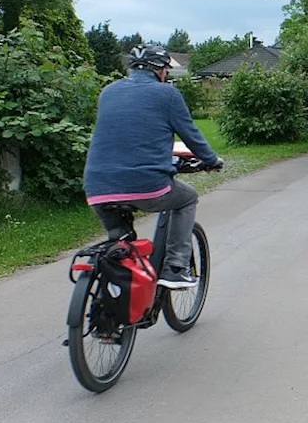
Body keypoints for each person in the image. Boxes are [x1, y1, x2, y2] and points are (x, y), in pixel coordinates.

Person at [83, 44, 223, 289]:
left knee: (120, 244)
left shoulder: (108, 92)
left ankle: (114, 306)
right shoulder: (167, 95)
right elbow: (191, 135)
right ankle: (176, 267)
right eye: (166, 71)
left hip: (97, 187)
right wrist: (212, 160)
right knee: (187, 198)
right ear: (160, 71)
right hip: (146, 186)